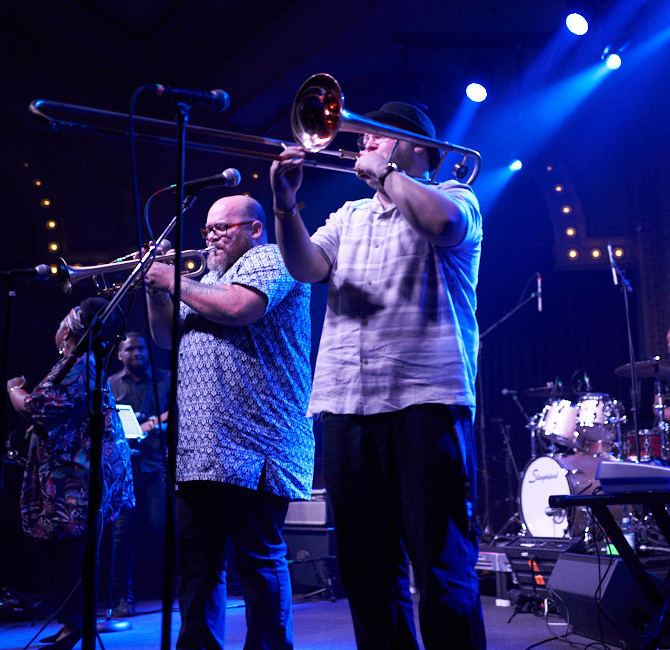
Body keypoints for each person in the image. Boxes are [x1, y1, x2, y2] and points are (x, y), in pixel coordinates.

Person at [270, 101, 487, 649]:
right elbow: (305, 268)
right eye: (361, 139)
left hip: (427, 403)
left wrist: (389, 177)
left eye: (374, 138)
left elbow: (439, 224)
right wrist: (285, 204)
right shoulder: (348, 215)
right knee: (367, 574)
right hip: (347, 405)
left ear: (415, 148)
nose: (361, 145)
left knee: (440, 569)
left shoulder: (458, 198)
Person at [144, 195, 314, 650]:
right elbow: (164, 337)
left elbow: (240, 309)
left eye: (222, 228)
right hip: (197, 449)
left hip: (255, 443)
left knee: (257, 562)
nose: (211, 238)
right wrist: (156, 289)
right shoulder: (205, 279)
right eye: (206, 230)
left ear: (254, 228)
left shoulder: (274, 258)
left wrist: (172, 279)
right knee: (197, 566)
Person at [7, 297, 134, 648]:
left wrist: (14, 390)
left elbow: (37, 406)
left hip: (75, 475)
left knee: (68, 550)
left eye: (65, 320)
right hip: (78, 469)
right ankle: (73, 621)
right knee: (66, 550)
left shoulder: (78, 364)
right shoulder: (81, 364)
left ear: (72, 330)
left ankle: (76, 621)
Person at [108, 331, 171, 616]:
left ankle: (179, 588)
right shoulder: (109, 384)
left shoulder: (165, 379)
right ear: (120, 354)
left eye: (142, 349)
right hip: (126, 471)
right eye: (131, 349)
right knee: (122, 535)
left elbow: (180, 409)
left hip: (157, 464)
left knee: (164, 528)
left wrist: (159, 422)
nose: (138, 354)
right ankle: (122, 597)